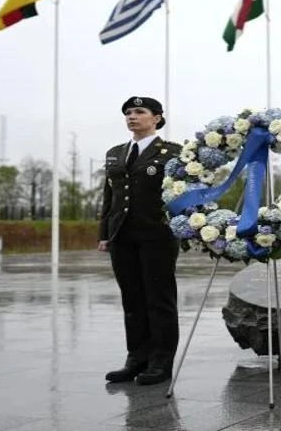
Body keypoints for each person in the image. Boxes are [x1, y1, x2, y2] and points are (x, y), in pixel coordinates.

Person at [98, 96, 183, 385]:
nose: (132, 117)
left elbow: (183, 194)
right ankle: (136, 358)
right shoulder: (116, 153)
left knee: (159, 300)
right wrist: (104, 234)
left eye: (139, 112)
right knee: (132, 300)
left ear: (157, 117)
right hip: (122, 235)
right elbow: (109, 197)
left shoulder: (172, 153)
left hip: (157, 236)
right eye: (128, 113)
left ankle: (160, 362)